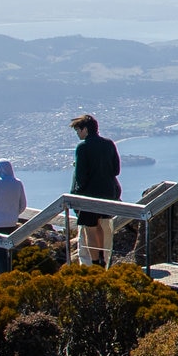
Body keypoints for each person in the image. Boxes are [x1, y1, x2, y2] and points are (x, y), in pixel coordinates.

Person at [69, 114, 120, 266]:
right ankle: (104, 258)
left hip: (89, 196)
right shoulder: (109, 144)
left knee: (90, 229)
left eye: (78, 130)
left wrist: (76, 194)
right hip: (108, 193)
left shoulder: (83, 147)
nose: (78, 133)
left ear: (85, 129)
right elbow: (116, 170)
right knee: (101, 226)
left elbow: (81, 176)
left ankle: (95, 261)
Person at [0, 158, 27, 273]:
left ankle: (4, 282)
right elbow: (23, 205)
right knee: (6, 255)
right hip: (11, 225)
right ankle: (0, 282)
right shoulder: (18, 183)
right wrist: (13, 215)